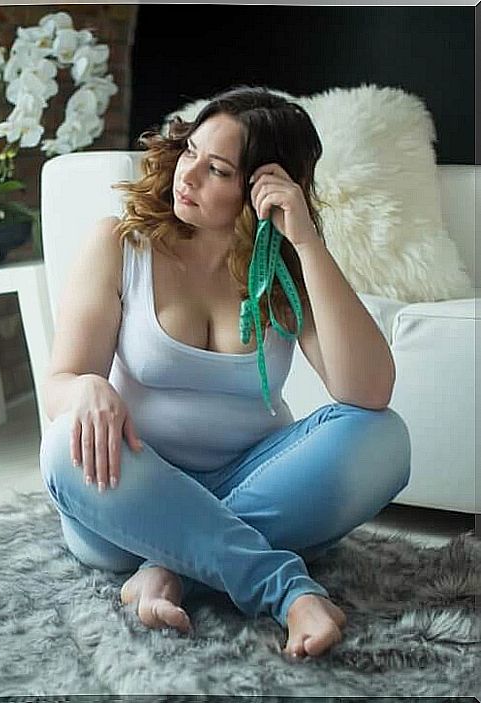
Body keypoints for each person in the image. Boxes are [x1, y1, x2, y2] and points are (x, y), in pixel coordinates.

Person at [38, 86, 411, 660]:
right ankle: (283, 588)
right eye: (190, 152)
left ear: (260, 189)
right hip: (134, 493)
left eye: (216, 169)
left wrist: (306, 241)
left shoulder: (283, 267)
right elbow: (61, 383)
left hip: (254, 481)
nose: (186, 176)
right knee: (65, 445)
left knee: (383, 436)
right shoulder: (121, 244)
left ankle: (171, 566)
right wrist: (88, 387)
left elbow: (367, 390)